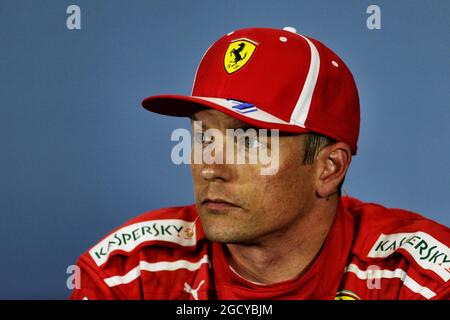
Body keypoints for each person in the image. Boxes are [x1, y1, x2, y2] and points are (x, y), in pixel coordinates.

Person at [70, 27, 449, 300]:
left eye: (248, 141)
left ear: (329, 168)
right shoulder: (128, 272)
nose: (210, 166)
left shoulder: (421, 278)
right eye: (203, 137)